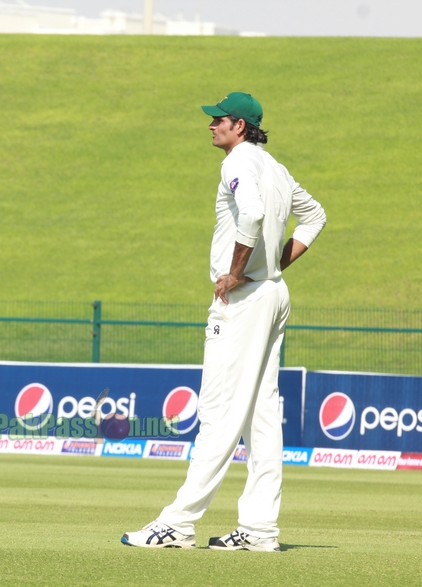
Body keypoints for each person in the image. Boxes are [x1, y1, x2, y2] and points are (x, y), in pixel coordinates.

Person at [121, 92, 327, 551]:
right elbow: (315, 217)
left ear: (239, 126)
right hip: (273, 293)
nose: (211, 125)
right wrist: (273, 265)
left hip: (246, 298)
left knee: (217, 414)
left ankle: (178, 522)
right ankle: (259, 530)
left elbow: (251, 213)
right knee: (262, 416)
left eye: (218, 119)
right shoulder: (275, 167)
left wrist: (237, 272)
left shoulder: (236, 162)